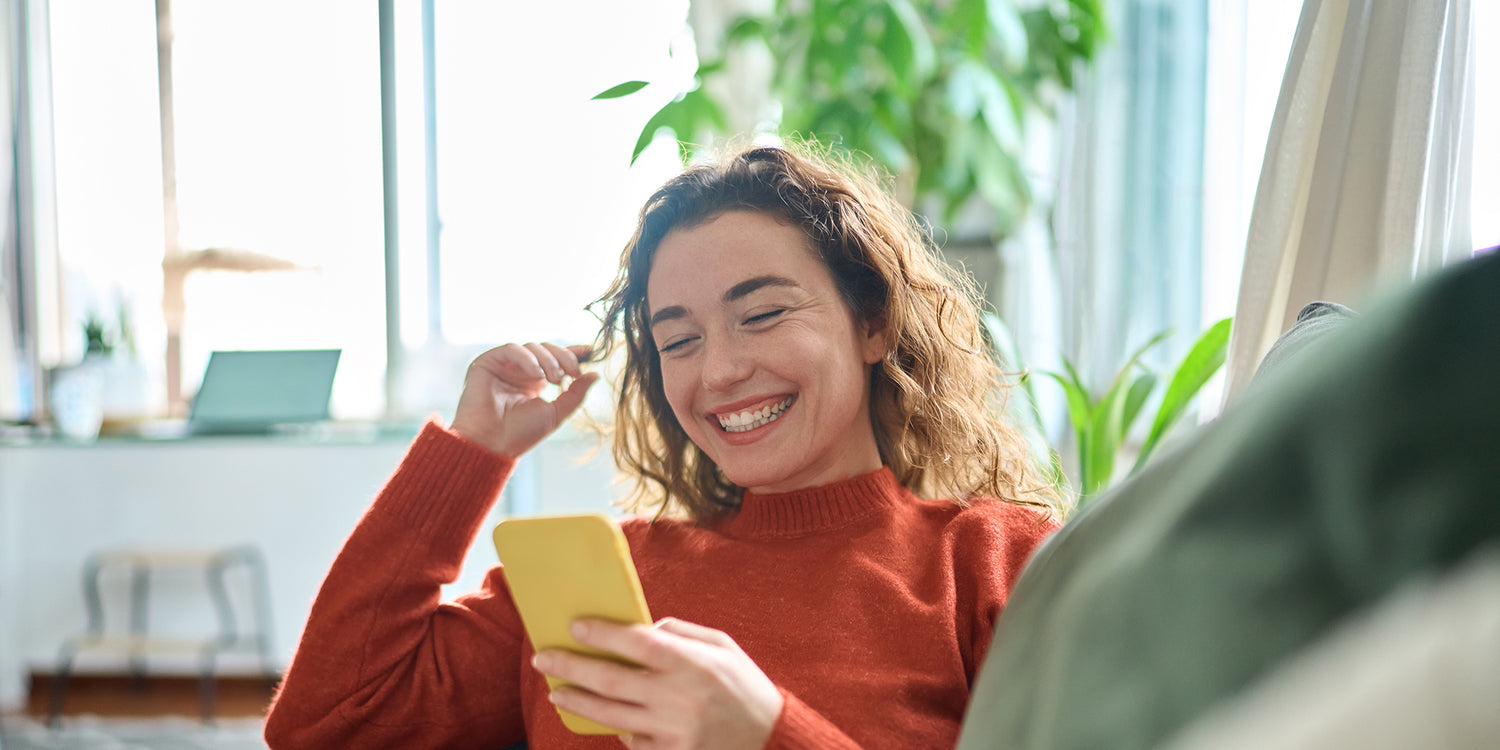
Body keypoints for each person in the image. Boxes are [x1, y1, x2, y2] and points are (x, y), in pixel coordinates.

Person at [263, 143, 1062, 750]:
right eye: (677, 340)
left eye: (762, 315)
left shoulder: (995, 564)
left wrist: (767, 732)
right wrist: (471, 453)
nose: (718, 371)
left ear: (872, 323)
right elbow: (327, 719)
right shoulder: (602, 587)